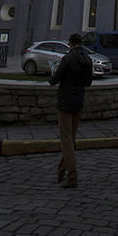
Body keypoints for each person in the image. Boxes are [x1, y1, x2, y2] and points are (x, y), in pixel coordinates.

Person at [49, 32, 93, 188]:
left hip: (66, 103)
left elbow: (55, 80)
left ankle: (72, 176)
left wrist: (52, 74)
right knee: (71, 139)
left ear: (70, 44)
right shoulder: (87, 59)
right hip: (78, 103)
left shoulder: (67, 59)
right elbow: (88, 82)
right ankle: (61, 169)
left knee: (66, 140)